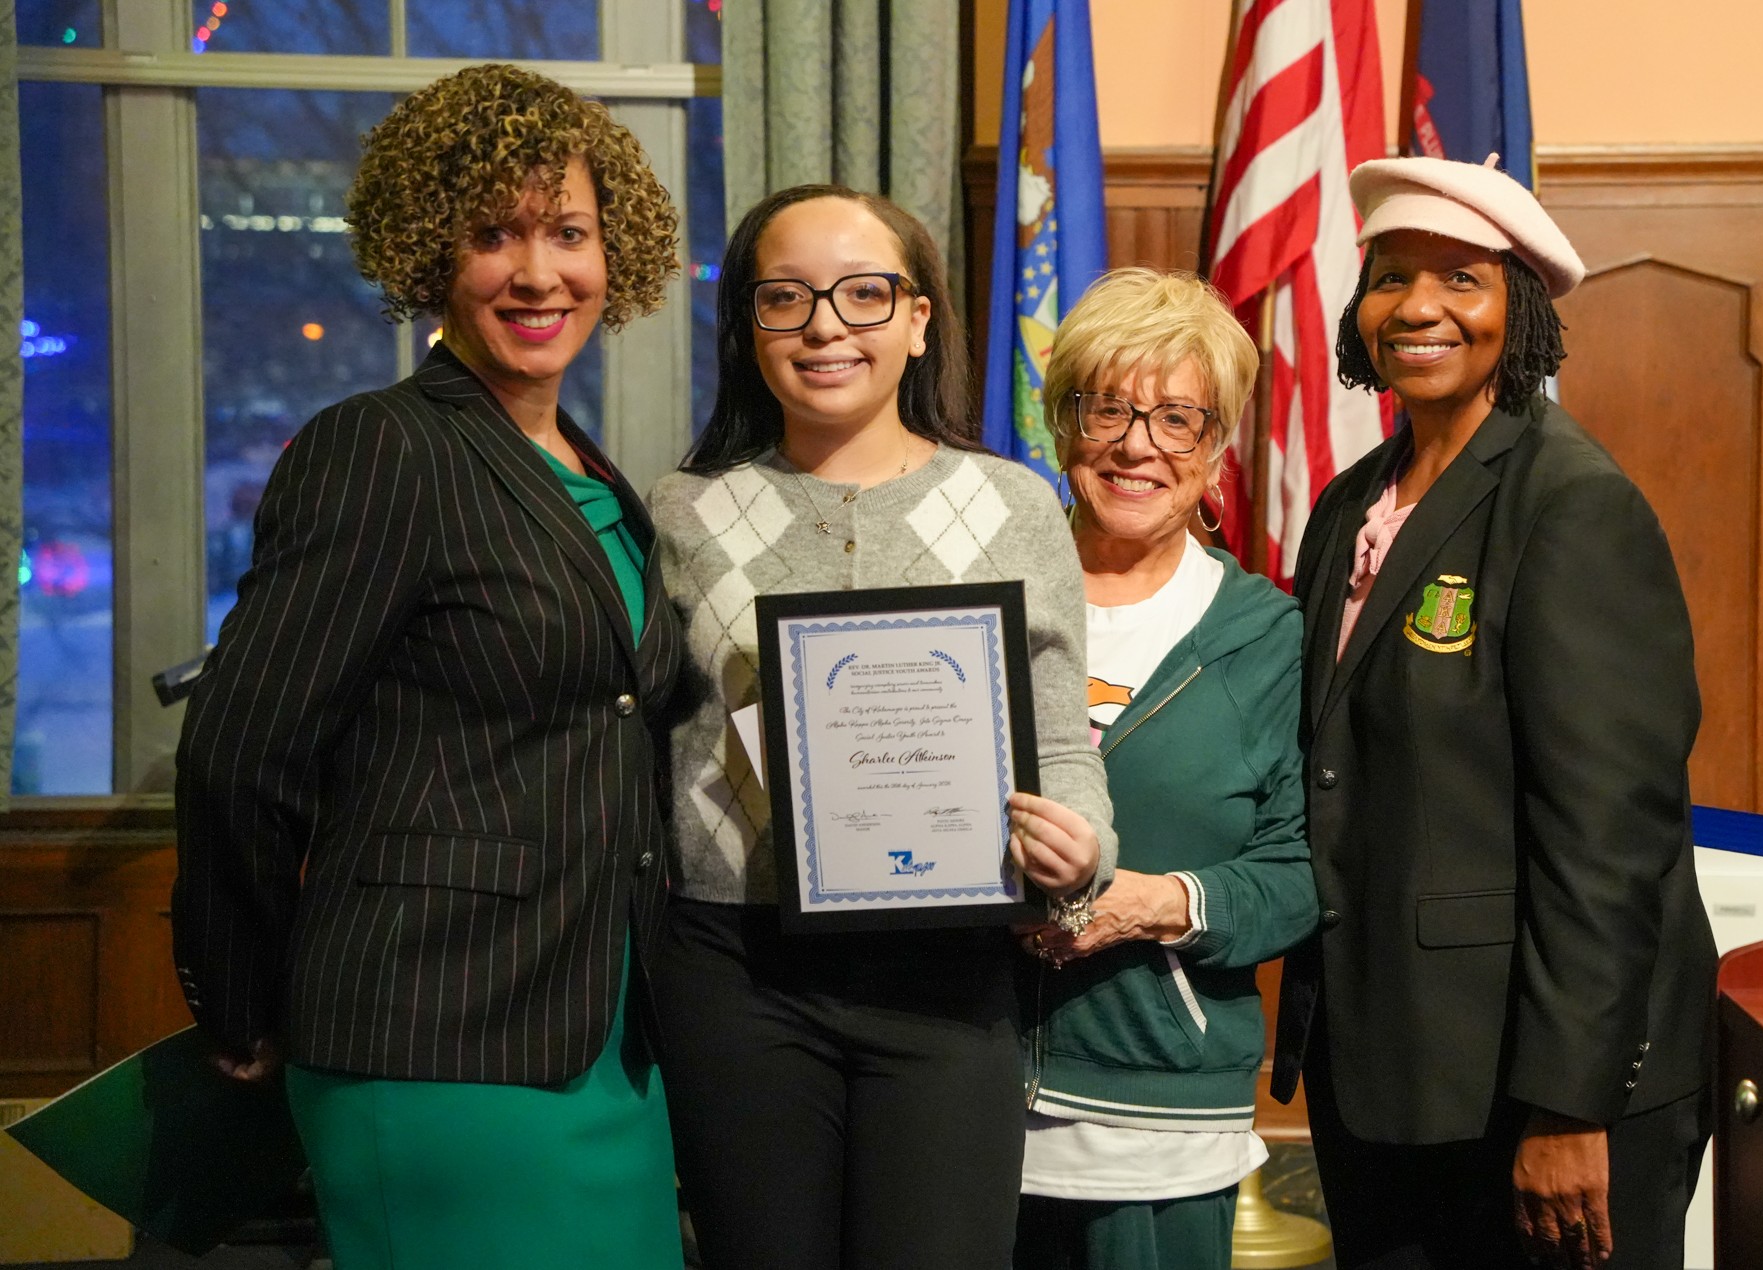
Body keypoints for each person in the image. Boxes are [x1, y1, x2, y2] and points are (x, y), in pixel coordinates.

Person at [172, 64, 686, 1270]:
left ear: (618, 251)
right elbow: (242, 750)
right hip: (434, 1038)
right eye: (491, 235)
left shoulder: (597, 474)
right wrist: (240, 1004)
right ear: (426, 251)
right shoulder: (381, 449)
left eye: (568, 232)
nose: (538, 272)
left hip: (602, 1033)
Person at [646, 183, 1116, 1270]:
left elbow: (1058, 749)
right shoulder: (678, 511)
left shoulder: (1015, 506)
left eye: (864, 294)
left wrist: (1082, 847)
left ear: (917, 319)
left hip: (946, 977)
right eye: (786, 297)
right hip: (735, 973)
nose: (823, 325)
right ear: (748, 326)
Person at [1270, 154, 1717, 1270]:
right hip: (1390, 1061)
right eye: (1388, 277)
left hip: (1536, 1092)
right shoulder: (1349, 502)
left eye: (1458, 279)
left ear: (1517, 310)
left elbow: (1610, 839)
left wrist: (1567, 1109)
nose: (1415, 307)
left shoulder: (1570, 506)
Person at [1008, 268, 1318, 1270]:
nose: (1137, 444)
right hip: (957, 1095)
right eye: (1107, 408)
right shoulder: (977, 600)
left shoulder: (1265, 635)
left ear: (1215, 449)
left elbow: (1300, 872)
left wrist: (1154, 902)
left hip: (1155, 1118)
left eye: (1176, 418)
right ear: (1060, 428)